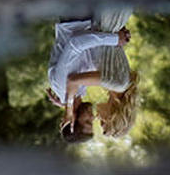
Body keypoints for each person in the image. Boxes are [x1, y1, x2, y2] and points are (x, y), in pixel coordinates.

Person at [45, 9, 140, 141]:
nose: (94, 118)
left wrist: (68, 106)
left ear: (72, 120)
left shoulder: (64, 86)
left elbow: (75, 44)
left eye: (88, 122)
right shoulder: (110, 85)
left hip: (74, 14)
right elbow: (98, 56)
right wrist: (68, 106)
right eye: (99, 123)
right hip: (94, 17)